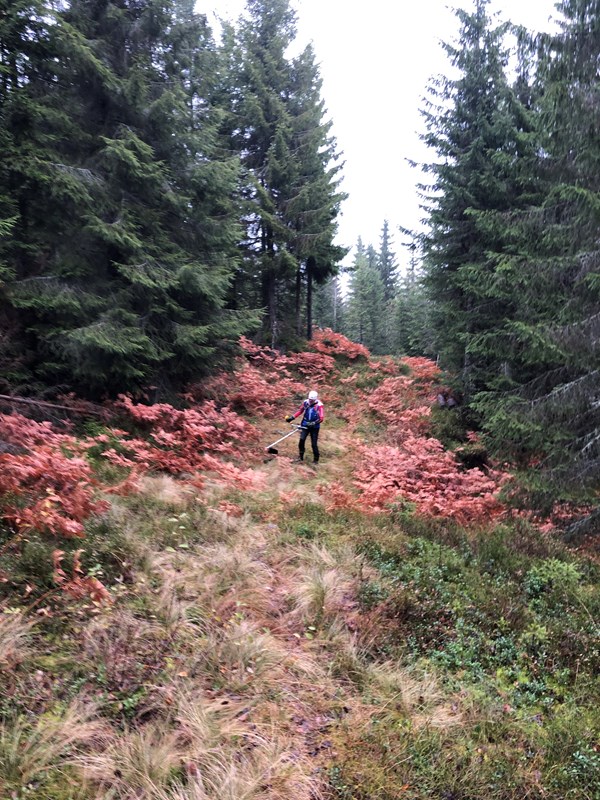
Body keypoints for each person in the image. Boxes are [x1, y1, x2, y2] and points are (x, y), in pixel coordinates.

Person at [285, 389, 324, 464]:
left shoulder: (319, 405)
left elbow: (321, 418)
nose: (310, 401)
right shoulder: (306, 402)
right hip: (305, 425)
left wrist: (313, 423)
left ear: (315, 399)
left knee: (314, 444)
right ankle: (300, 457)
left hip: (314, 427)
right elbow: (300, 411)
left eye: (312, 400)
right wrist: (292, 418)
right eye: (310, 399)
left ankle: (316, 460)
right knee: (302, 440)